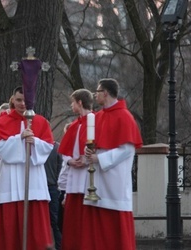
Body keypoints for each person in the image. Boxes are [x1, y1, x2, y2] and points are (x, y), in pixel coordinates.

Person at [0, 86, 54, 249]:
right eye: (19, 100)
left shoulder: (40, 121)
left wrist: (35, 142)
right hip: (11, 180)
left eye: (26, 100)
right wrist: (19, 138)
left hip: (33, 180)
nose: (22, 103)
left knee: (36, 230)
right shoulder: (1, 122)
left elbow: (48, 147)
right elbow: (1, 150)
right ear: (13, 100)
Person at [83, 78, 143, 249]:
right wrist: (90, 152)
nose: (95, 95)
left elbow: (127, 150)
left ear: (106, 93)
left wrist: (100, 159)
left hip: (115, 180)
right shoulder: (98, 116)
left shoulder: (125, 116)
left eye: (98, 91)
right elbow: (96, 143)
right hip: (98, 179)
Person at [57, 89, 93, 250]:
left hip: (88, 177)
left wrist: (86, 159)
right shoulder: (73, 126)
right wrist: (71, 161)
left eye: (73, 102)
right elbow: (65, 152)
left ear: (79, 102)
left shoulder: (95, 122)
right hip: (74, 178)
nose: (71, 105)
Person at [44, 141, 63, 250]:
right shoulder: (56, 147)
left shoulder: (56, 148)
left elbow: (60, 166)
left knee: (53, 220)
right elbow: (60, 166)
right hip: (52, 186)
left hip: (50, 186)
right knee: (54, 220)